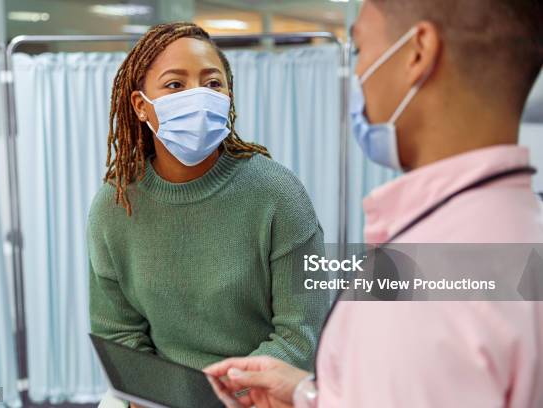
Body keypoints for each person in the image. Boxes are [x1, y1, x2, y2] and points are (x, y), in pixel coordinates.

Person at [205, 0, 543, 406]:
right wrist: (308, 394)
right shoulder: (519, 231)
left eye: (361, 49)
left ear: (417, 52)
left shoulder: (422, 287)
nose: (359, 74)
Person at [87, 22, 328, 407]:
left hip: (256, 395)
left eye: (212, 84)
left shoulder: (279, 195)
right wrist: (154, 395)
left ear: (228, 96)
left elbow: (301, 335)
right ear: (139, 105)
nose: (198, 96)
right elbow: (119, 334)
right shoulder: (114, 206)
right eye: (175, 85)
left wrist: (222, 398)